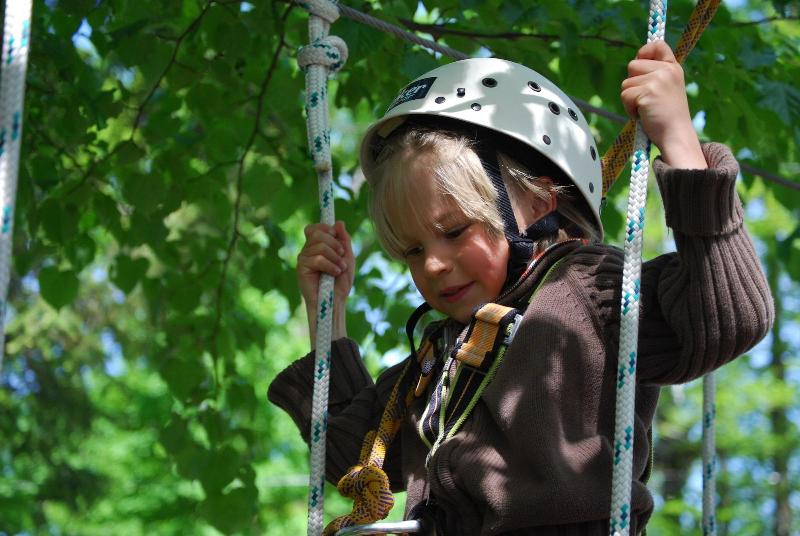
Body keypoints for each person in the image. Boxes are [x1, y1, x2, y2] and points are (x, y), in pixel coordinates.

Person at [268, 41, 773, 535]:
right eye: (414, 250)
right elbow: (346, 457)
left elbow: (729, 319)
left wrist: (679, 141)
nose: (435, 265)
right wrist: (326, 315)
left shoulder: (585, 290)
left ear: (538, 201)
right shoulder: (437, 361)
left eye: (455, 231)